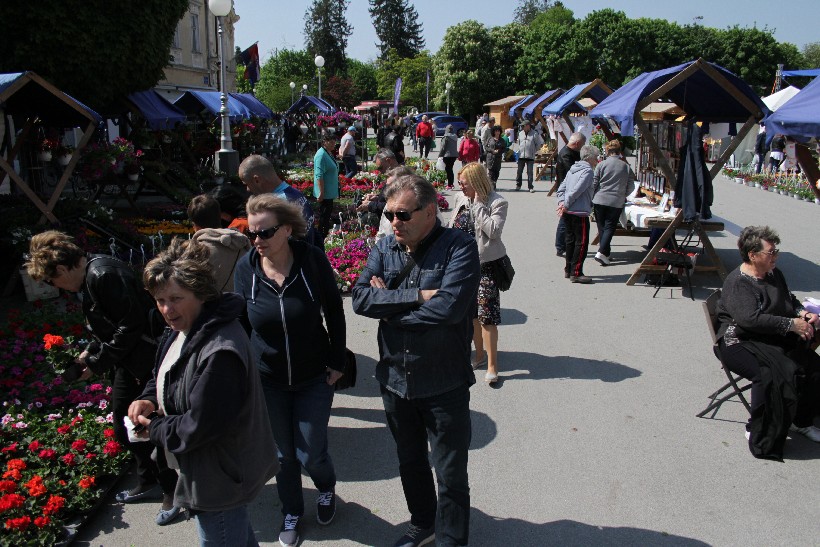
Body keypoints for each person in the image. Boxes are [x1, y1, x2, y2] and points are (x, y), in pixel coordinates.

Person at [352, 174, 480, 547]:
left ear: (429, 211)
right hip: (395, 379)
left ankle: (452, 540)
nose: (394, 222)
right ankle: (423, 521)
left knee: (451, 472)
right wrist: (419, 296)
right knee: (410, 462)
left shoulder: (459, 247)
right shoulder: (385, 248)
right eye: (389, 213)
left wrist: (389, 308)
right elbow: (360, 299)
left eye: (403, 214)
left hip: (444, 381)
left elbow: (450, 309)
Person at [129, 239, 278, 543]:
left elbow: (200, 424)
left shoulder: (219, 352)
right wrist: (148, 397)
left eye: (175, 298)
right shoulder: (185, 329)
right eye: (159, 300)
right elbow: (166, 372)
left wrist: (155, 427)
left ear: (200, 295)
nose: (166, 310)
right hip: (208, 469)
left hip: (218, 477)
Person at [25, 231, 179, 524]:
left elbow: (130, 327)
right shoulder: (93, 275)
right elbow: (112, 326)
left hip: (142, 360)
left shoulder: (103, 274)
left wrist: (95, 363)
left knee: (141, 425)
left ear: (60, 269)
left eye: (51, 280)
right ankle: (149, 479)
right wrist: (89, 353)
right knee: (125, 424)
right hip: (129, 360)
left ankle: (170, 488)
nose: (54, 286)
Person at [234, 195, 347, 547]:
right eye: (251, 234)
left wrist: (338, 361)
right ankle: (292, 510)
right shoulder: (246, 269)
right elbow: (240, 324)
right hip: (268, 379)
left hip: (314, 374)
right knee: (282, 455)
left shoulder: (311, 260)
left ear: (286, 229)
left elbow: (335, 311)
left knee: (311, 452)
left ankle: (326, 488)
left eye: (264, 233)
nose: (257, 241)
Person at [716, 226, 820, 460]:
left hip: (770, 337)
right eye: (771, 252)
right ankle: (757, 426)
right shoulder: (739, 282)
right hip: (738, 341)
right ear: (753, 255)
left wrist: (803, 314)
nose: (776, 256)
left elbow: (789, 299)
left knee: (813, 367)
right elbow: (749, 319)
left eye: (776, 251)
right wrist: (791, 325)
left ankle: (800, 421)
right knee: (769, 374)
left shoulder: (773, 274)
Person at [448, 163, 508, 385]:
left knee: (487, 316)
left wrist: (479, 204)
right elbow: (451, 225)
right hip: (461, 267)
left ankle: (493, 365)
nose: (460, 187)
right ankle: (479, 355)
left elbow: (493, 231)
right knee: (470, 315)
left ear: (475, 182)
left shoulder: (497, 202)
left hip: (485, 266)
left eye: (463, 183)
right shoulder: (459, 199)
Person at [239, 154, 319, 247]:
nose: (247, 189)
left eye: (247, 184)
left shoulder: (277, 206)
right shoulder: (295, 194)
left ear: (257, 180)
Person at [187, 194, 251, 292]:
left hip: (212, 305)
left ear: (195, 226)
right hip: (242, 304)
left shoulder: (196, 252)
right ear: (220, 216)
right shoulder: (241, 243)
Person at [556, 145, 599, 284]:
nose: (596, 160)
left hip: (569, 211)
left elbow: (561, 188)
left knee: (570, 241)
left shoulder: (573, 169)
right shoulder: (587, 172)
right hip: (579, 211)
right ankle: (576, 272)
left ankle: (569, 269)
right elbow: (577, 190)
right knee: (581, 243)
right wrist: (565, 204)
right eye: (595, 157)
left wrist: (562, 202)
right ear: (590, 157)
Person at [591, 140, 635, 267]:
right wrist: (623, 194)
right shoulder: (625, 166)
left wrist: (592, 195)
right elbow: (631, 185)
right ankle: (603, 252)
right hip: (616, 200)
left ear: (607, 151)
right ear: (619, 151)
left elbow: (594, 182)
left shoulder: (601, 165)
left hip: (599, 199)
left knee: (601, 226)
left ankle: (605, 251)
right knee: (610, 226)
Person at [554, 132, 587, 257]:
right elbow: (572, 172)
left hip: (568, 189)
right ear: (577, 143)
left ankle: (563, 245)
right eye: (582, 144)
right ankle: (560, 246)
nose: (583, 147)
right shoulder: (565, 154)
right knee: (565, 218)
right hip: (566, 190)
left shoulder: (571, 153)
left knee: (566, 218)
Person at [313, 131, 340, 245]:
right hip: (325, 193)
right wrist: (321, 192)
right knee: (324, 216)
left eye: (335, 141)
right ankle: (320, 238)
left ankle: (322, 235)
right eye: (331, 142)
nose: (334, 144)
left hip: (329, 191)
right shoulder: (321, 155)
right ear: (325, 142)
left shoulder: (328, 153)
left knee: (327, 214)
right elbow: (319, 175)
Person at [357, 149, 399, 221]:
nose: (380, 171)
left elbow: (395, 206)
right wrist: (377, 197)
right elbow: (389, 198)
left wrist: (371, 205)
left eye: (380, 168)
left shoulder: (399, 178)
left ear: (389, 161)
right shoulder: (393, 175)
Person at [515, 120, 544, 193]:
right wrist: (517, 151)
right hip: (521, 156)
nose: (522, 127)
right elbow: (518, 143)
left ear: (528, 126)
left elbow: (538, 144)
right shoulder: (520, 133)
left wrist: (534, 151)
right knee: (519, 171)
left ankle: (530, 187)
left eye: (523, 126)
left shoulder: (534, 134)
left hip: (530, 156)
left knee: (530, 172)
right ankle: (518, 185)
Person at [438, 124, 459, 189]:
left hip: (447, 155)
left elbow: (443, 147)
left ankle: (449, 184)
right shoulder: (455, 136)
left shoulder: (446, 137)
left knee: (447, 169)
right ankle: (451, 183)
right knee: (450, 169)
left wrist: (440, 155)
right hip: (454, 155)